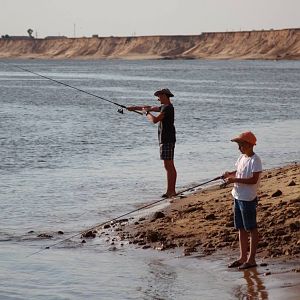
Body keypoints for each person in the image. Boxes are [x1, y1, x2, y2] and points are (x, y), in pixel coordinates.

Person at [223, 131, 262, 270]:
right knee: (240, 228)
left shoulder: (255, 160)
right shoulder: (241, 158)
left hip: (248, 198)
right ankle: (242, 257)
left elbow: (253, 179)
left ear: (249, 145)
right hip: (237, 196)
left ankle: (251, 259)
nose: (239, 148)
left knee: (251, 228)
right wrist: (229, 174)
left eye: (241, 145)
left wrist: (235, 179)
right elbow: (238, 172)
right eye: (239, 145)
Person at [127, 88, 177, 198]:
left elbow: (155, 120)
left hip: (167, 139)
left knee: (169, 166)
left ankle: (171, 191)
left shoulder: (167, 108)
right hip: (166, 139)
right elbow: (150, 108)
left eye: (159, 96)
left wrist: (146, 113)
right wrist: (134, 108)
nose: (158, 98)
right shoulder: (164, 107)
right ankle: (170, 190)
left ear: (164, 95)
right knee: (168, 165)